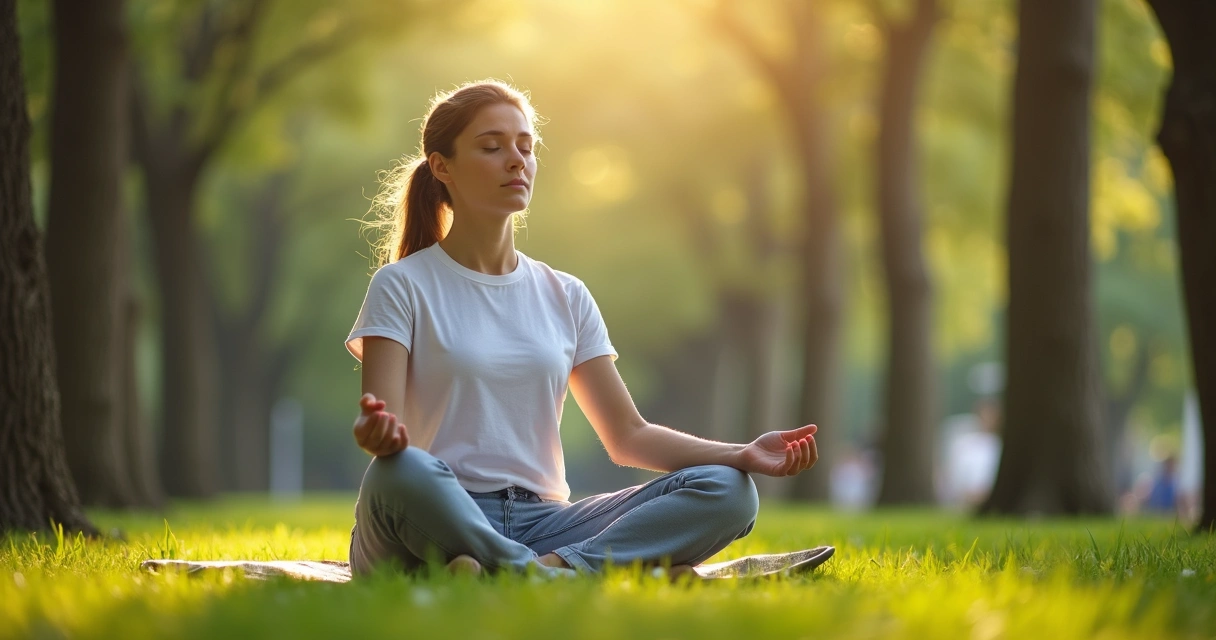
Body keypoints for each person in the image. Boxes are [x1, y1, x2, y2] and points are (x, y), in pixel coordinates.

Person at [345, 80, 819, 579]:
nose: (516, 160)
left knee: (729, 488)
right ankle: (555, 574)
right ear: (442, 166)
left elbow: (628, 435)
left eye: (526, 147)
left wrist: (741, 453)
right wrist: (376, 434)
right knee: (399, 473)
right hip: (432, 512)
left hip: (544, 523)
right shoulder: (402, 285)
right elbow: (386, 434)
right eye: (492, 147)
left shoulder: (565, 294)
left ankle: (530, 573)